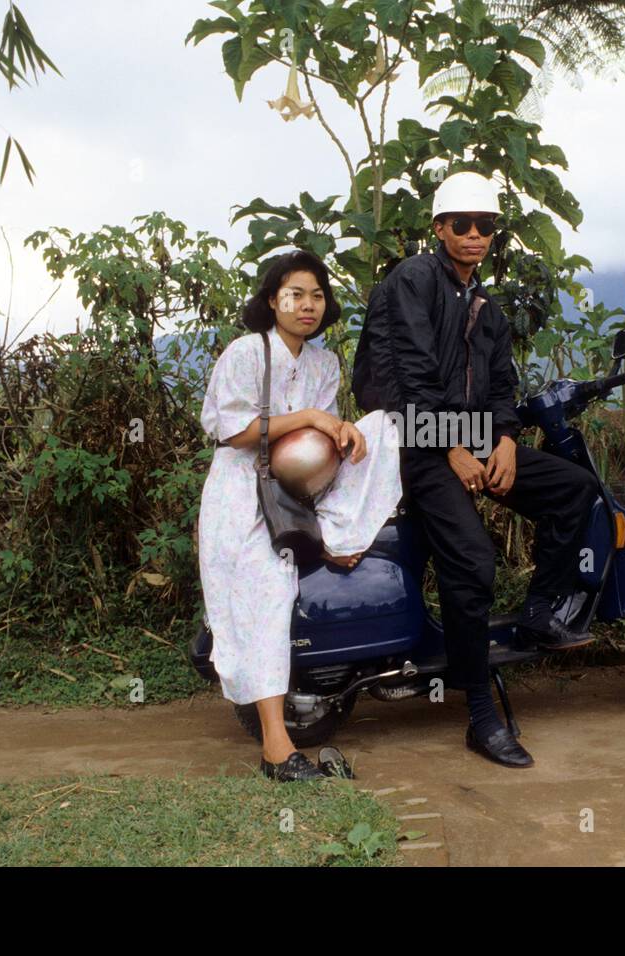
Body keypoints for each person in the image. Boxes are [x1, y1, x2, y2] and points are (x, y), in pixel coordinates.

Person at [352, 171, 600, 769]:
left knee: (576, 488)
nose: (473, 235)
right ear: (438, 229)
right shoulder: (413, 280)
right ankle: (480, 716)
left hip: (472, 437)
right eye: (460, 224)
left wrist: (507, 439)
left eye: (484, 225)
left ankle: (540, 612)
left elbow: (500, 385)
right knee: (473, 560)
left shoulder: (484, 303)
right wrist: (451, 450)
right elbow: (409, 381)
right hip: (413, 441)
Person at [198, 250, 402, 782]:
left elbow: (318, 442)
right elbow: (231, 431)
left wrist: (342, 428)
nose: (307, 305)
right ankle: (275, 748)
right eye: (295, 294)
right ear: (273, 300)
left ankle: (340, 531)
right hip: (244, 489)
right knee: (265, 593)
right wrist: (313, 416)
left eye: (316, 295)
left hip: (301, 483)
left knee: (384, 427)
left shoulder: (323, 363)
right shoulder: (248, 351)